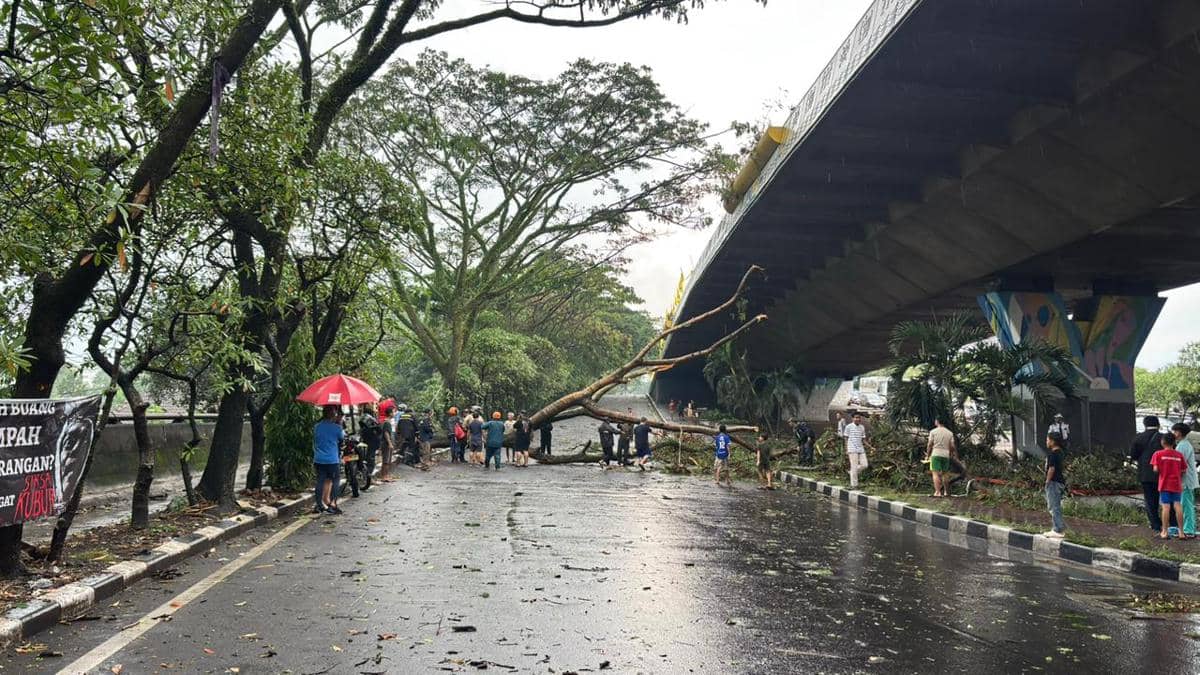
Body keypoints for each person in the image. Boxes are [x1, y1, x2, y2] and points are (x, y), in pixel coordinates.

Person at [1131, 416, 1172, 531]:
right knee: (1168, 499)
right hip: (1164, 474)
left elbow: (1133, 455)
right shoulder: (1164, 438)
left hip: (1146, 474)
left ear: (1144, 425)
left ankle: (1155, 524)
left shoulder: (1138, 438)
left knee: (1150, 500)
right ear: (1158, 425)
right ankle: (1172, 523)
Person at [1151, 433, 1187, 540]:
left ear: (1163, 442)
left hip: (1164, 484)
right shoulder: (1179, 455)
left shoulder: (1158, 454)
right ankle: (1181, 532)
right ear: (1174, 442)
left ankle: (1165, 531)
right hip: (1176, 484)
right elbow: (1184, 470)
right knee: (1178, 506)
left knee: (1166, 507)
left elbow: (1155, 469)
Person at [313, 405, 345, 515]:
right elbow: (341, 439)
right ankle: (332, 503)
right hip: (332, 460)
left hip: (318, 459)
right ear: (334, 414)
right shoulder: (337, 428)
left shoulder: (317, 426)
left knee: (320, 481)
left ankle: (319, 504)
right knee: (336, 480)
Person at [1172, 423, 1197, 539]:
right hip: (1187, 480)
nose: (1173, 434)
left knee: (1186, 505)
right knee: (1187, 504)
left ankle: (1188, 529)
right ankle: (1189, 528)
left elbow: (1180, 465)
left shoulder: (1182, 446)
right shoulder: (1184, 444)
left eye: (1174, 431)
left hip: (1185, 481)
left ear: (1179, 432)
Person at [924, 418, 956, 498]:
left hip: (936, 453)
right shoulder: (950, 433)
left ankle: (938, 492)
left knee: (935, 473)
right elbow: (952, 446)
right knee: (945, 473)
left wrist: (928, 455)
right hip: (946, 454)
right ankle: (946, 492)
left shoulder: (933, 432)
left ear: (937, 421)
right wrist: (951, 453)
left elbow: (930, 444)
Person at [1043, 431, 1067, 539]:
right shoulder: (1061, 452)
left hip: (1054, 482)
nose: (1046, 442)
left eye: (1047, 440)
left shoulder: (1053, 454)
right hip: (1060, 482)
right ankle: (1059, 527)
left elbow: (1051, 469)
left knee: (1053, 506)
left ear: (1052, 441)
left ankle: (1058, 529)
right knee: (1055, 506)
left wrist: (1047, 482)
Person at [843, 412, 872, 488]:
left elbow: (863, 440)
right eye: (856, 417)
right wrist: (846, 449)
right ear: (852, 418)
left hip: (860, 448)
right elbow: (846, 438)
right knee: (854, 466)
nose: (857, 419)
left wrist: (870, 447)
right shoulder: (848, 427)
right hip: (852, 449)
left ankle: (852, 472)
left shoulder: (862, 427)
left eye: (859, 417)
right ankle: (854, 485)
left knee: (865, 465)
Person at [358, 403, 382, 486]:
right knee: (370, 460)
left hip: (363, 441)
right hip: (371, 442)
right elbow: (379, 430)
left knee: (364, 459)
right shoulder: (370, 419)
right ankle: (369, 478)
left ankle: (365, 477)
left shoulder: (361, 419)